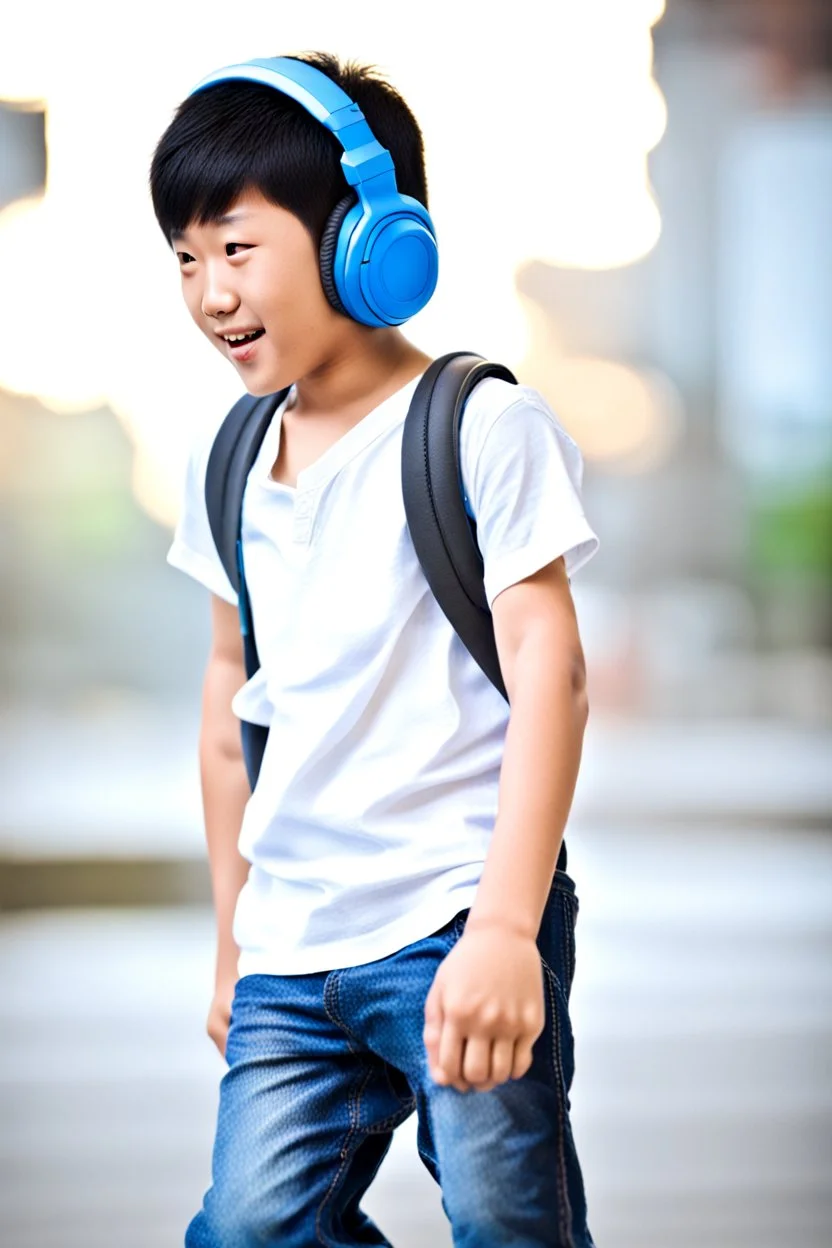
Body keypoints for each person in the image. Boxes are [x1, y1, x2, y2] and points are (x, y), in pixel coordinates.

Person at [150, 49, 600, 1248]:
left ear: (367, 236)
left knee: (510, 1221)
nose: (209, 293)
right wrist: (231, 945)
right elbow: (223, 706)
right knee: (248, 1231)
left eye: (238, 250)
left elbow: (551, 673)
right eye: (186, 259)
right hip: (292, 944)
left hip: (455, 907)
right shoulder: (229, 459)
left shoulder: (480, 426)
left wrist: (509, 925)